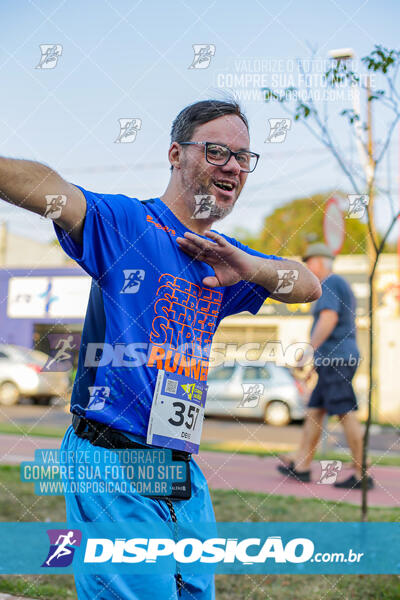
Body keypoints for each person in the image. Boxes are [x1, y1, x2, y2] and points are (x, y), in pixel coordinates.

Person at [0, 99, 320, 599]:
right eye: (216, 151)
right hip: (111, 455)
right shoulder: (127, 224)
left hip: (180, 467)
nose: (232, 166)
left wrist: (249, 268)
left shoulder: (225, 258)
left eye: (243, 157)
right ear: (176, 153)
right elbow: (53, 192)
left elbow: (306, 286)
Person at [277, 243, 374, 490]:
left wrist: (309, 350)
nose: (307, 267)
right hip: (331, 359)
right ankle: (303, 466)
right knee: (315, 412)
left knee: (345, 411)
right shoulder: (337, 284)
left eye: (309, 262)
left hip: (337, 359)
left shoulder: (329, 283)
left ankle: (362, 472)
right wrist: (314, 363)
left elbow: (328, 318)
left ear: (319, 262)